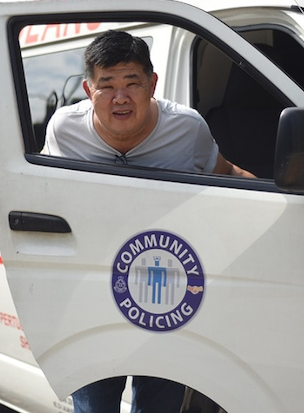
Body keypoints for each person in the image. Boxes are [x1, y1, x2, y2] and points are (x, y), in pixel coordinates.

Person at [40, 29, 254, 413]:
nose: (120, 97)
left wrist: (282, 201)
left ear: (152, 84)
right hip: (90, 297)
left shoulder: (186, 129)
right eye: (106, 85)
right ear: (89, 91)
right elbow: (39, 186)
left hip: (167, 296)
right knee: (93, 407)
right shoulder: (64, 130)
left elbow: (227, 175)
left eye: (131, 83)